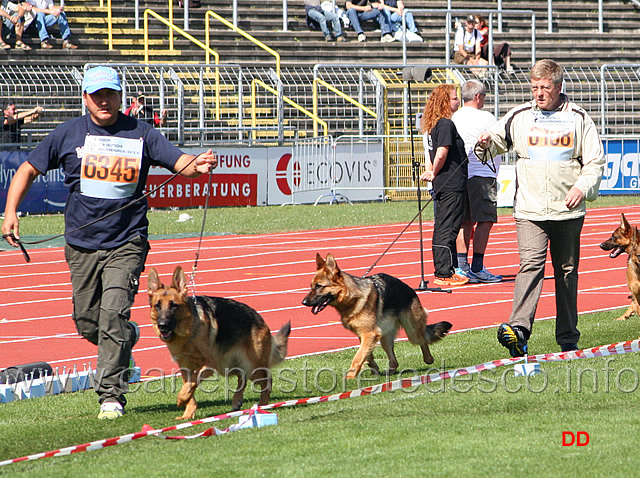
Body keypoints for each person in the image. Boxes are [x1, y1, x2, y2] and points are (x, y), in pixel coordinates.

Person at [1, 66, 218, 419]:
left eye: (111, 94)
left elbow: (181, 162)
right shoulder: (67, 133)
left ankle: (111, 396)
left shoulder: (141, 133)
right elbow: (27, 169)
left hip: (126, 241)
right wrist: (10, 213)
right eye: (97, 94)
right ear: (85, 97)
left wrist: (199, 164)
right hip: (81, 244)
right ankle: (126, 337)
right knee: (89, 322)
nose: (104, 100)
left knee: (112, 314)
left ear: (120, 96)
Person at [476, 59, 605, 356]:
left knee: (567, 272)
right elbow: (496, 142)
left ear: (558, 87)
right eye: (534, 87)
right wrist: (485, 143)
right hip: (529, 210)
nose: (538, 93)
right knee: (530, 267)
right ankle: (519, 331)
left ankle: (568, 337)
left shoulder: (579, 118)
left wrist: (581, 188)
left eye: (545, 87)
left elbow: (595, 162)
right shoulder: (519, 115)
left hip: (567, 211)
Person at [452, 80, 503, 284]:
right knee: (485, 220)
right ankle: (478, 266)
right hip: (482, 174)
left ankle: (462, 267)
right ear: (478, 97)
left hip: (462, 174)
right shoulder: (486, 117)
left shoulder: (456, 116)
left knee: (465, 221)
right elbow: (499, 141)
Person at [419, 84, 469, 287]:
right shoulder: (446, 124)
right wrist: (434, 172)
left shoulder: (433, 126)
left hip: (443, 183)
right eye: (454, 98)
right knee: (448, 227)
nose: (458, 101)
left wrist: (432, 172)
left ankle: (445, 269)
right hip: (451, 182)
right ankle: (444, 272)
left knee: (443, 226)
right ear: (444, 102)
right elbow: (441, 153)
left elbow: (431, 155)